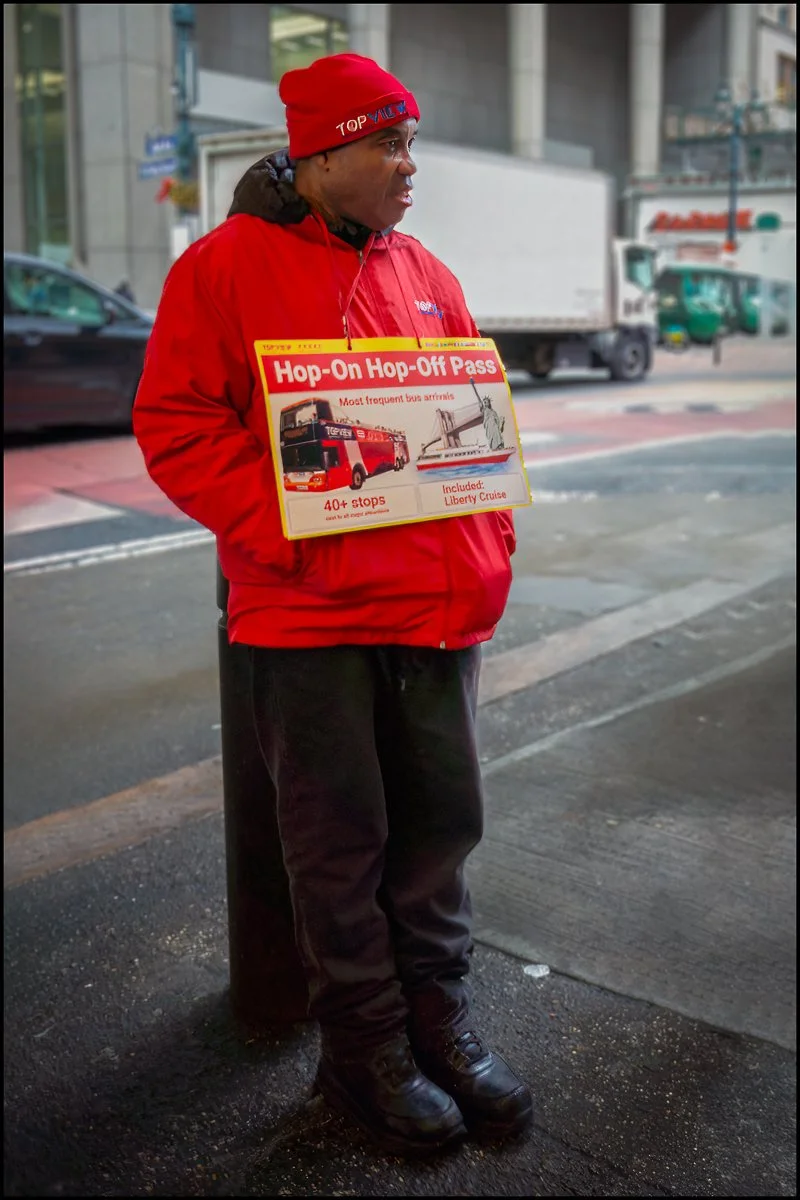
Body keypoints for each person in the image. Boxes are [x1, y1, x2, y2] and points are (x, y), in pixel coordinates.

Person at [133, 53, 530, 1158]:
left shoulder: (426, 271)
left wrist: (491, 536)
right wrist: (292, 529)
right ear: (318, 157)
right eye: (386, 145)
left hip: (437, 610)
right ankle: (362, 1050)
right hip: (310, 619)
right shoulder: (222, 269)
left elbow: (470, 419)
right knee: (339, 844)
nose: (409, 167)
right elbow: (176, 427)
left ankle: (436, 1020)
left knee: (441, 828)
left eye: (410, 144)